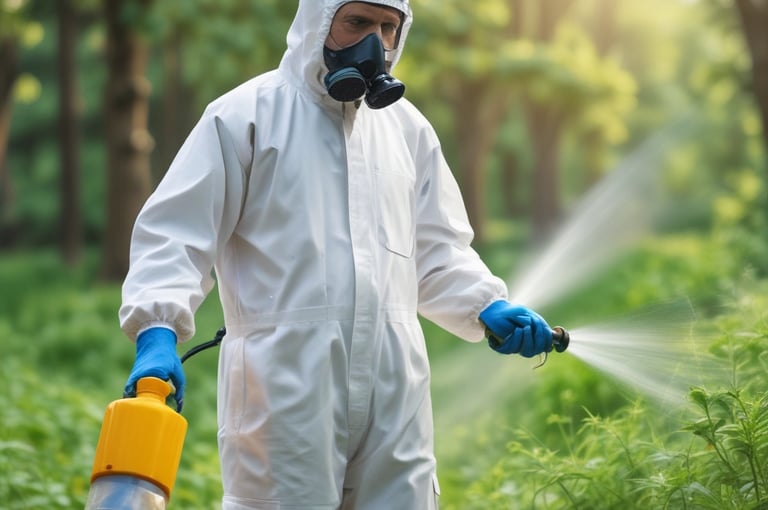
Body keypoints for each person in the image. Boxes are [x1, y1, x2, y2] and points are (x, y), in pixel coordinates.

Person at [120, 1, 554, 508]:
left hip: (396, 391)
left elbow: (437, 252)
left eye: (388, 27)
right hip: (285, 388)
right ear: (318, 22)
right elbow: (177, 234)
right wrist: (157, 331)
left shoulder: (408, 131)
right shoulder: (244, 116)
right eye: (357, 23)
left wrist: (486, 305)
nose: (375, 42)